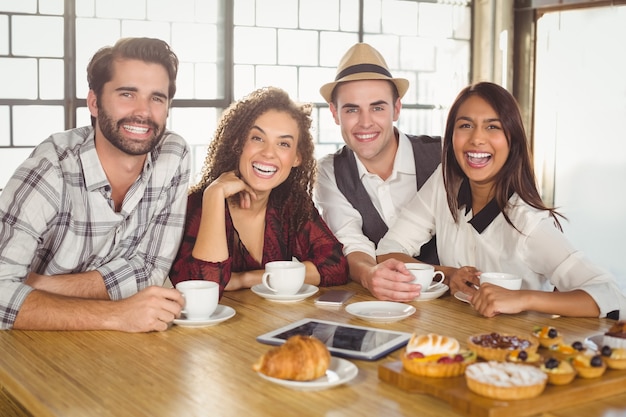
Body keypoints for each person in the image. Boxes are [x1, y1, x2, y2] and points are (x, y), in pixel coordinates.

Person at [376, 81, 626, 319]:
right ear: (451, 137)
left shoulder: (527, 223)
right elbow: (388, 251)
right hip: (456, 336)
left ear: (512, 140)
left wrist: (523, 298)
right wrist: (447, 274)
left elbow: (611, 295)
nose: (476, 139)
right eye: (465, 125)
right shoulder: (445, 184)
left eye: (492, 127)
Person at [0, 37, 190, 332]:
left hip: (107, 346)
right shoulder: (52, 168)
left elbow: (149, 270)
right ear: (94, 103)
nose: (143, 111)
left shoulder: (173, 154)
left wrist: (37, 285)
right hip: (23, 343)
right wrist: (116, 315)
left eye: (157, 97)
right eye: (127, 94)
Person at [169, 87, 349, 295]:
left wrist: (246, 279)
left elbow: (335, 266)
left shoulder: (290, 205)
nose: (269, 153)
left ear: (297, 158)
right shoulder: (195, 206)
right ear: (237, 142)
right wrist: (214, 195)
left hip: (266, 322)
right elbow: (201, 288)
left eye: (283, 143)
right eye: (257, 138)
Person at [314, 42, 441, 302]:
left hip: (458, 304)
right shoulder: (330, 171)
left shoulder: (444, 155)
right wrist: (369, 275)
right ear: (334, 113)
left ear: (396, 109)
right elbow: (351, 243)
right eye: (351, 109)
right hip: (378, 307)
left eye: (377, 107)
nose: (365, 122)